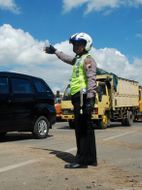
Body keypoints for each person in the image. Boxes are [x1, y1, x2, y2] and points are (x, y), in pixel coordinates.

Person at [45, 32, 97, 168]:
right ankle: (90, 159)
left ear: (86, 45)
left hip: (82, 96)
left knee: (81, 129)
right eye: (74, 45)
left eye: (79, 44)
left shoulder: (87, 59)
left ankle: (82, 161)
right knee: (86, 128)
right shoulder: (78, 59)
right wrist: (55, 51)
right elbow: (66, 58)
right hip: (78, 96)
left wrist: (90, 99)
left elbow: (91, 79)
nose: (76, 47)